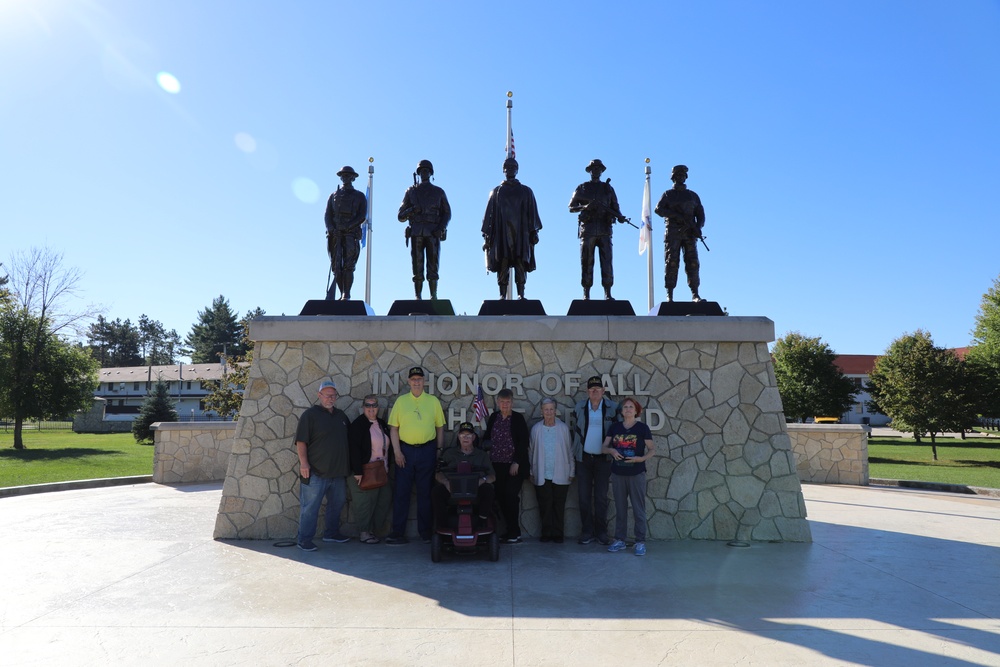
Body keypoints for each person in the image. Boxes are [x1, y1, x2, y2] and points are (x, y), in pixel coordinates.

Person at [386, 366, 445, 545]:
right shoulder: (401, 402)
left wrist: (439, 451)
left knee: (425, 493)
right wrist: (396, 452)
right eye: (413, 379)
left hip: (427, 450)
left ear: (424, 381)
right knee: (401, 493)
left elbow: (440, 427)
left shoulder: (433, 401)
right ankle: (398, 532)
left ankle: (426, 532)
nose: (417, 382)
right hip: (405, 452)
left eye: (419, 379)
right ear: (409, 382)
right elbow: (393, 428)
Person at [294, 379, 352, 551]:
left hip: (338, 473)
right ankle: (303, 540)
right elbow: (301, 442)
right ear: (319, 395)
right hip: (315, 473)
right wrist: (304, 464)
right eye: (327, 395)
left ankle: (331, 533)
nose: (330, 398)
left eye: (333, 395)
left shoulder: (341, 416)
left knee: (337, 504)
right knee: (310, 508)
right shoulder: (309, 416)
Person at [481, 157, 542, 300]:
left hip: (521, 233)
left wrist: (534, 232)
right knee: (503, 262)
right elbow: (488, 217)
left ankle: (521, 294)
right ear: (503, 170)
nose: (510, 169)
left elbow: (532, 213)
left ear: (517, 169)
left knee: (520, 262)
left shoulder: (526, 191)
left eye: (513, 167)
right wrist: (487, 237)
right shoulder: (496, 192)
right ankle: (502, 294)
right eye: (507, 167)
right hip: (502, 234)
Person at [602, 397, 655, 556]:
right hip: (618, 473)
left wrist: (641, 459)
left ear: (636, 410)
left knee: (639, 508)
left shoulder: (642, 428)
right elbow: (604, 447)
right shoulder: (615, 427)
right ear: (621, 411)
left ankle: (640, 541)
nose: (628, 409)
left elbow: (652, 450)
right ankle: (620, 540)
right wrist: (611, 451)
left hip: (636, 473)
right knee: (620, 508)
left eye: (631, 407)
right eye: (625, 407)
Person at [568, 159, 627, 300]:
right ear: (589, 171)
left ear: (601, 171)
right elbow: (571, 207)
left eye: (598, 169)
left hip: (604, 230)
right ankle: (586, 293)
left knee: (607, 262)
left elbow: (616, 208)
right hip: (587, 230)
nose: (596, 171)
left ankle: (608, 293)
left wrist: (619, 217)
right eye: (593, 169)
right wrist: (585, 207)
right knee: (586, 261)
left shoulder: (608, 189)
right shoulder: (582, 188)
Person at [572, 375, 620, 546]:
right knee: (583, 497)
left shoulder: (612, 408)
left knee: (600, 497)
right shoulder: (580, 407)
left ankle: (601, 532)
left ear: (603, 391)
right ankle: (586, 531)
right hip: (583, 459)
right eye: (591, 389)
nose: (594, 392)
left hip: (603, 460)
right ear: (587, 391)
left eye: (597, 389)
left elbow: (619, 430)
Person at [397, 159, 451, 300]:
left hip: (433, 232)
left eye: (426, 171)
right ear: (419, 173)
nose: (424, 173)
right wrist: (412, 209)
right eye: (422, 171)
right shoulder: (411, 191)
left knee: (433, 266)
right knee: (417, 265)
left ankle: (433, 295)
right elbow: (400, 215)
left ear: (431, 173)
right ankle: (418, 296)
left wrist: (441, 228)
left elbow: (447, 213)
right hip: (416, 232)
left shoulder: (438, 192)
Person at [484, 388, 530, 544]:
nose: (505, 404)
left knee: (511, 496)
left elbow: (523, 442)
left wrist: (516, 461)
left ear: (512, 402)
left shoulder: (517, 419)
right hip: (496, 466)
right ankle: (509, 531)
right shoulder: (493, 417)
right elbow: (487, 438)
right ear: (498, 402)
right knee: (500, 498)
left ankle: (514, 531)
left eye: (508, 402)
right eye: (502, 402)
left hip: (513, 467)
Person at [654, 164, 706, 302]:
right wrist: (675, 216)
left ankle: (695, 294)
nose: (681, 178)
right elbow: (658, 209)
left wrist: (698, 227)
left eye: (683, 175)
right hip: (673, 233)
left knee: (693, 263)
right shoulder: (668, 194)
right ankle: (669, 294)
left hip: (689, 233)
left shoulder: (693, 196)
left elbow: (700, 214)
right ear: (673, 178)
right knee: (671, 262)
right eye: (678, 176)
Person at [431, 421, 496, 530]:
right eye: (463, 435)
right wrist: (446, 482)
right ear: (458, 437)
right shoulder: (449, 453)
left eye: (468, 435)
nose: (465, 438)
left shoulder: (482, 455)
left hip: (476, 490)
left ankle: (482, 521)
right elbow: (438, 473)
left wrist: (482, 480)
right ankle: (443, 526)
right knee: (436, 492)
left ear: (474, 437)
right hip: (453, 489)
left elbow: (493, 476)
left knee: (489, 490)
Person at [347, 394, 392, 544]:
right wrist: (358, 471)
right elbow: (354, 449)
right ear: (363, 407)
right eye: (368, 405)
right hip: (365, 471)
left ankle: (373, 530)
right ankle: (364, 533)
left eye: (374, 405)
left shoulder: (381, 423)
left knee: (382, 501)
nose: (371, 408)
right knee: (364, 503)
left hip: (381, 471)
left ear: (378, 407)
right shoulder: (358, 425)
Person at [528, 398, 574, 543]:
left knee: (559, 505)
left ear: (555, 411)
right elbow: (531, 451)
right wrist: (531, 471)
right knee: (545, 505)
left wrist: (572, 470)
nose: (549, 412)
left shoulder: (563, 428)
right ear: (541, 411)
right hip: (542, 473)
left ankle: (558, 533)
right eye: (546, 409)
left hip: (561, 472)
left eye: (551, 409)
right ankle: (546, 533)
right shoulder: (536, 429)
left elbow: (570, 450)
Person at [324, 165, 368, 301]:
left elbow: (362, 216)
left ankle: (346, 294)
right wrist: (331, 229)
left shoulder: (359, 196)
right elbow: (327, 215)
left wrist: (348, 226)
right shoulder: (333, 195)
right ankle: (341, 291)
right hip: (335, 235)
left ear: (353, 178)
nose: (345, 177)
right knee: (336, 266)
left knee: (349, 265)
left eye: (348, 175)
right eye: (343, 175)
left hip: (351, 234)